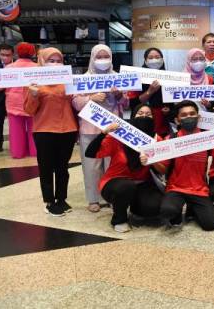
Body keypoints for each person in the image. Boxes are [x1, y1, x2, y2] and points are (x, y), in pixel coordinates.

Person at [155, 100, 214, 230]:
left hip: (199, 189)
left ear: (198, 117)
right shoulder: (170, 139)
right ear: (177, 120)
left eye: (192, 114)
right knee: (168, 211)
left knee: (211, 224)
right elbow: (163, 170)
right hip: (175, 188)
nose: (189, 117)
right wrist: (152, 161)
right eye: (184, 115)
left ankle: (193, 209)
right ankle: (177, 213)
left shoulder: (207, 138)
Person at [85, 104, 163, 232]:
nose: (144, 117)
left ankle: (135, 207)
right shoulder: (118, 137)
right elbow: (90, 153)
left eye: (148, 114)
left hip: (142, 184)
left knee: (155, 207)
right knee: (126, 186)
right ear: (133, 116)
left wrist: (152, 161)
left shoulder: (156, 139)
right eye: (140, 113)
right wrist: (104, 132)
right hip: (115, 182)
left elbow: (163, 168)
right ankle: (119, 219)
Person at [72, 44, 128, 213]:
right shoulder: (83, 78)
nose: (103, 60)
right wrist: (91, 98)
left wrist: (119, 95)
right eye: (99, 57)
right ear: (92, 58)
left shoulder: (117, 77)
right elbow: (75, 103)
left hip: (113, 127)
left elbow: (126, 103)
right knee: (91, 165)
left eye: (106, 57)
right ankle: (93, 199)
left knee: (113, 164)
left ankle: (112, 197)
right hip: (90, 127)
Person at [24, 48, 78, 216]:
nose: (55, 64)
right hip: (44, 131)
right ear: (42, 62)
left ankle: (61, 199)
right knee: (46, 168)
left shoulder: (68, 81)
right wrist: (33, 95)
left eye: (58, 60)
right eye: (51, 60)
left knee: (63, 168)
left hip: (68, 129)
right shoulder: (35, 83)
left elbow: (75, 103)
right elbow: (28, 110)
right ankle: (49, 201)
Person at [2, 43, 39, 159]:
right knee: (35, 128)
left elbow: (2, 86)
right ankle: (35, 152)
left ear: (17, 53)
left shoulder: (8, 68)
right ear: (33, 53)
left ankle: (18, 153)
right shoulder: (38, 67)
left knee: (15, 129)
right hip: (32, 100)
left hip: (13, 102)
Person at [134, 47, 172, 137]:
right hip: (142, 121)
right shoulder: (137, 78)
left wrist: (168, 110)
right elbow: (133, 103)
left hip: (162, 123)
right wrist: (150, 91)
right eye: (150, 58)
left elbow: (172, 103)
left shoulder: (170, 77)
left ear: (162, 59)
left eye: (157, 57)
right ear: (145, 60)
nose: (154, 60)